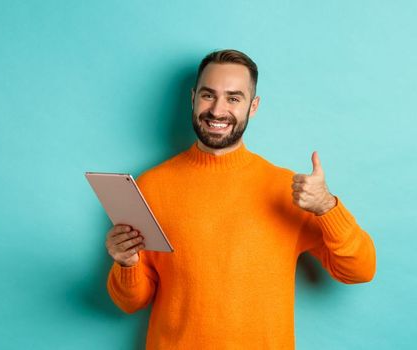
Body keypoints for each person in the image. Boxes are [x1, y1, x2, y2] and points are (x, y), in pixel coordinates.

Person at [104, 49, 376, 349]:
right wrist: (127, 263)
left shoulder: (287, 189)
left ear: (253, 106)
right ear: (193, 98)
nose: (218, 110)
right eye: (208, 95)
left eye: (234, 98)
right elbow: (130, 303)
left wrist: (327, 207)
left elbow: (360, 271)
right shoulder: (151, 186)